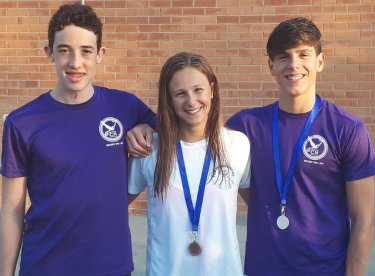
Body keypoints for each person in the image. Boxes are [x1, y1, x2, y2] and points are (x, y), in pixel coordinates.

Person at [0, 3, 155, 275]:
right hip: (46, 264)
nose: (75, 63)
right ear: (49, 53)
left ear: (100, 54)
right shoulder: (22, 122)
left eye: (86, 51)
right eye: (64, 51)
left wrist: (147, 127)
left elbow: (178, 132)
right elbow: (11, 211)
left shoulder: (125, 107)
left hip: (110, 266)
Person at [225, 17, 375, 275]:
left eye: (303, 54)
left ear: (320, 61)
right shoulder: (245, 126)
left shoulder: (347, 128)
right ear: (270, 65)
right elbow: (195, 140)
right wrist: (146, 126)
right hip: (263, 269)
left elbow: (364, 219)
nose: (294, 64)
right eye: (284, 56)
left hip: (326, 269)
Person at [128, 52, 251, 275]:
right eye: (180, 93)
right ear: (168, 98)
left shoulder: (238, 145)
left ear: (212, 89)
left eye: (198, 90)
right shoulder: (149, 149)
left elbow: (262, 207)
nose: (191, 101)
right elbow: (112, 207)